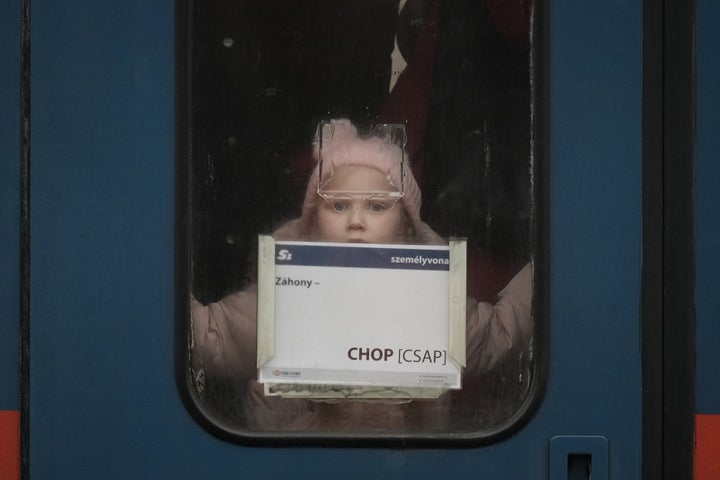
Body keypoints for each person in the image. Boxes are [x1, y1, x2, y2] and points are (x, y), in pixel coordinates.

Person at [190, 119, 532, 432]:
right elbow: (209, 336)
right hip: (296, 461)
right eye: (339, 205)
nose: (357, 220)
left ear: (406, 226)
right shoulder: (284, 293)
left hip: (404, 462)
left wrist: (550, 268)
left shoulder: (432, 298)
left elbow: (496, 335)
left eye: (377, 206)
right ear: (312, 221)